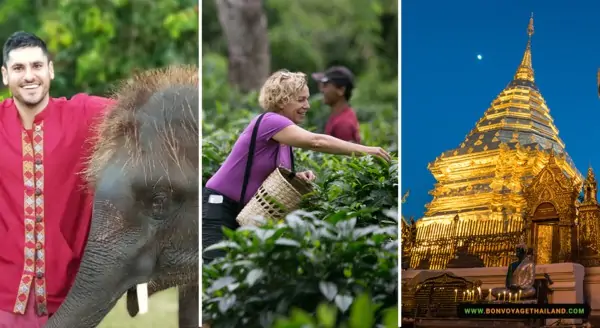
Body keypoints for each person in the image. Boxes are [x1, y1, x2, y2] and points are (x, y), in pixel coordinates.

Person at [202, 69, 391, 263]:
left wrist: (297, 176)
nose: (307, 105)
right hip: (219, 205)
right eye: (301, 100)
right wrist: (367, 151)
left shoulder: (284, 138)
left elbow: (269, 174)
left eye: (307, 99)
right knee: (213, 268)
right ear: (283, 100)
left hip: (244, 212)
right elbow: (317, 141)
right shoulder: (270, 121)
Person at [0, 31, 113, 327]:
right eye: (18, 68)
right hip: (3, 299)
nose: (29, 76)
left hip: (68, 301)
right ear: (4, 75)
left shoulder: (84, 114)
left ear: (50, 69)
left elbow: (141, 111)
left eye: (37, 66)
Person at [312, 66, 361, 143]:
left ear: (341, 90)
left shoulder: (343, 124)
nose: (322, 90)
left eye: (326, 85)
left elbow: (344, 154)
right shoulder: (339, 115)